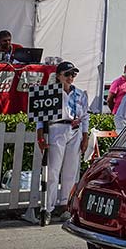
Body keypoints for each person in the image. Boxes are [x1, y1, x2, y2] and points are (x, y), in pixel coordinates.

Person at [36, 61, 89, 220]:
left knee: (71, 171)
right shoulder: (50, 92)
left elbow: (85, 116)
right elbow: (40, 117)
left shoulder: (80, 94)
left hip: (74, 131)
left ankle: (66, 206)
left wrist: (85, 137)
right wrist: (40, 135)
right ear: (58, 76)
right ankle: (47, 207)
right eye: (67, 74)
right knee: (52, 170)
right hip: (56, 129)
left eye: (73, 74)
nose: (70, 77)